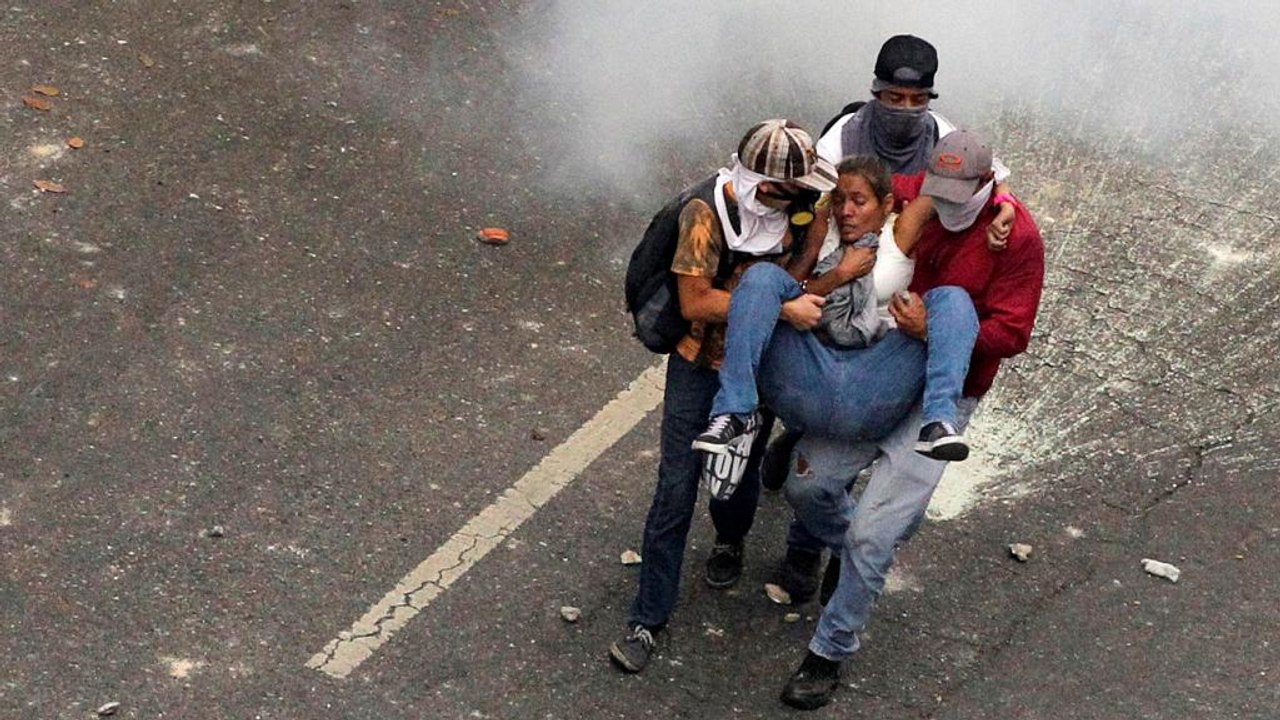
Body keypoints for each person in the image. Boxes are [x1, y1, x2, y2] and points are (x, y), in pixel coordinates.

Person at [777, 129, 1045, 710]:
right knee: (808, 485)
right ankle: (853, 555)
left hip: (943, 390)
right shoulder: (931, 190)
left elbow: (1013, 334)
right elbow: (851, 185)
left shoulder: (1016, 236)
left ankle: (829, 650)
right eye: (934, 191)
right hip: (884, 370)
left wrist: (937, 331)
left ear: (985, 186)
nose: (940, 206)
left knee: (875, 535)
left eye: (957, 196)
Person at [608, 119, 836, 674]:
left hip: (761, 364)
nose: (809, 197)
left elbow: (798, 271)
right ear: (764, 185)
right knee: (675, 488)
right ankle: (647, 618)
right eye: (798, 189)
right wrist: (779, 309)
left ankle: (730, 540)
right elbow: (695, 303)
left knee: (740, 472)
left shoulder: (803, 209)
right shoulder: (704, 215)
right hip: (699, 367)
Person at [759, 33, 1018, 489]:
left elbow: (981, 177)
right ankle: (765, 438)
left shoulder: (940, 132)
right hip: (836, 270)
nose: (905, 108)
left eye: (916, 99)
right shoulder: (842, 138)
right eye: (894, 97)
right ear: (875, 92)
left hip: (899, 268)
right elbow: (817, 212)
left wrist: (1007, 204)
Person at [693, 154, 976, 464]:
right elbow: (785, 290)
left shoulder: (900, 230)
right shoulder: (821, 231)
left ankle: (938, 422)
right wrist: (837, 273)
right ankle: (734, 412)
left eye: (858, 201)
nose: (846, 212)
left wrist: (1004, 201)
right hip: (812, 365)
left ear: (886, 204)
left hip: (875, 374)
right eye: (839, 200)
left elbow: (964, 180)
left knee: (954, 298)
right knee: (761, 279)